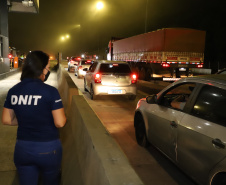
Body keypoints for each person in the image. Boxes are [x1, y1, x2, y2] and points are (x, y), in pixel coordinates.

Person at [1, 50, 66, 185]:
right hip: (48, 149)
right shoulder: (50, 92)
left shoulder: (13, 91)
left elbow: (6, 120)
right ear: (41, 69)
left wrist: (27, 118)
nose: (47, 71)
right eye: (47, 68)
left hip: (23, 149)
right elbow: (59, 122)